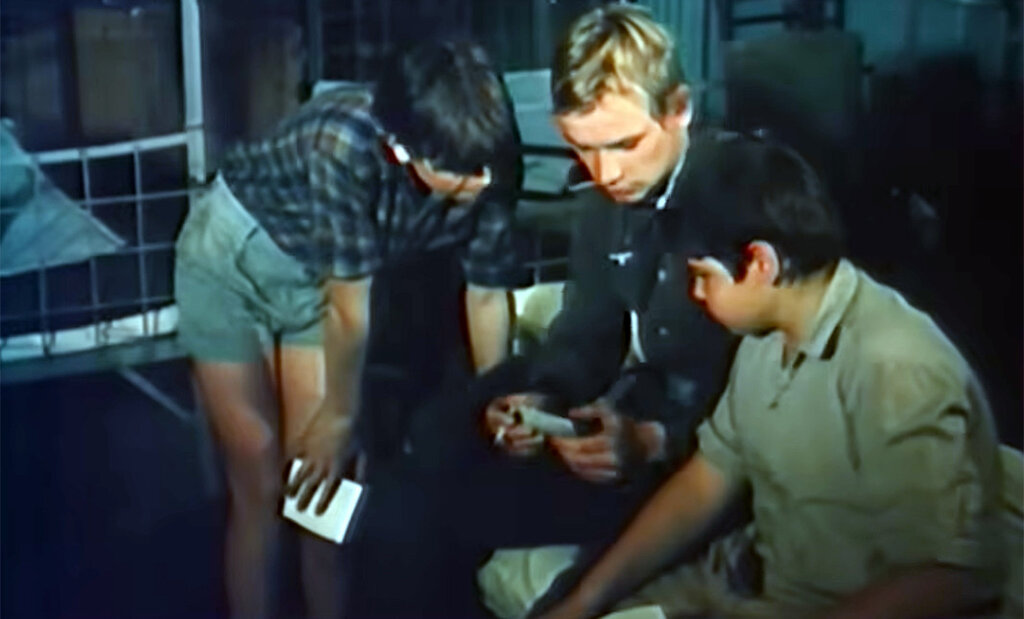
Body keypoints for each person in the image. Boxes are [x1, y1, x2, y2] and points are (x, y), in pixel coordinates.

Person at [345, 5, 738, 617]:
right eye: (584, 149)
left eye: (624, 144)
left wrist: (657, 438)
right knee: (422, 467)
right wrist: (543, 399)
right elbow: (585, 334)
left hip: (697, 459)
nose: (606, 173)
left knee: (478, 537)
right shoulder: (605, 201)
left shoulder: (742, 197)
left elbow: (762, 399)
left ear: (678, 109)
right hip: (617, 430)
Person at [537, 136, 1005, 618]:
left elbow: (951, 575)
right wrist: (584, 601)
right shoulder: (765, 333)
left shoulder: (895, 367)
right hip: (746, 582)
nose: (695, 294)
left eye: (702, 276)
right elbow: (709, 477)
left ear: (761, 264)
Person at [174, 39, 523, 619]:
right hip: (231, 263)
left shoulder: (487, 161)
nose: (483, 182)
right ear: (403, 150)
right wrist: (338, 418)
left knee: (324, 496)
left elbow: (486, 294)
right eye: (462, 172)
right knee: (261, 481)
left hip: (322, 282)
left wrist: (498, 399)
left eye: (488, 165)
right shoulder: (342, 145)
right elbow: (351, 311)